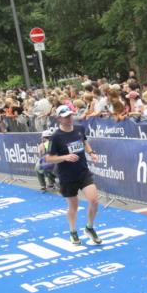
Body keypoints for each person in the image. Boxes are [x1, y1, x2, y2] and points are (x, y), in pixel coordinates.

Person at [46, 105, 102, 245]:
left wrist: (92, 153)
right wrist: (65, 157)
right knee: (73, 207)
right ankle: (73, 231)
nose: (69, 119)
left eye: (70, 115)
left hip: (83, 172)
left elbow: (84, 143)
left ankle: (89, 227)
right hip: (67, 176)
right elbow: (48, 158)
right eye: (65, 117)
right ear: (59, 118)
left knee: (94, 200)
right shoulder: (56, 137)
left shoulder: (79, 129)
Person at [36, 128, 58, 192]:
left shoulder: (42, 145)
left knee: (38, 167)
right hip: (56, 164)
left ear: (44, 138)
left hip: (52, 165)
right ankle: (51, 183)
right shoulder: (56, 143)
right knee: (46, 166)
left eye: (42, 138)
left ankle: (43, 186)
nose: (41, 139)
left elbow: (40, 156)